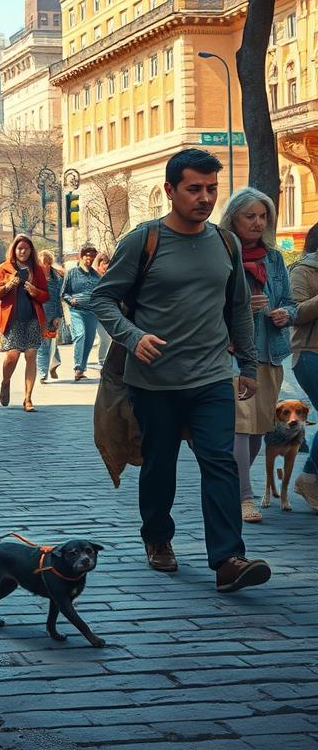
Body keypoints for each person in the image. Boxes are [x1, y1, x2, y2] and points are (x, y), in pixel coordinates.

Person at [90, 148, 270, 593]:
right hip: (154, 382)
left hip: (211, 377)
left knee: (221, 463)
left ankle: (229, 559)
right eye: (194, 188)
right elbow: (103, 298)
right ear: (170, 191)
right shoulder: (144, 240)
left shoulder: (225, 242)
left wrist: (246, 363)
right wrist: (133, 337)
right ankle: (157, 538)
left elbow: (239, 309)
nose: (205, 197)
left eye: (211, 189)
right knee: (160, 465)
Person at [218, 188, 296, 524]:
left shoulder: (274, 258)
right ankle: (244, 498)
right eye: (250, 216)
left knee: (258, 430)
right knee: (240, 426)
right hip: (233, 353)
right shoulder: (220, 253)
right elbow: (204, 306)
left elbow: (290, 301)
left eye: (263, 216)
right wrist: (240, 308)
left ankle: (228, 484)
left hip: (270, 352)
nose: (258, 222)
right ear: (233, 217)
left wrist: (285, 314)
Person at [0, 234, 49, 412]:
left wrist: (34, 291)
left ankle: (28, 399)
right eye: (19, 248)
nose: (23, 251)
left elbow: (46, 295)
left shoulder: (37, 270)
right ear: (14, 250)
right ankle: (6, 381)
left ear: (31, 251)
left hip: (32, 319)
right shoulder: (4, 268)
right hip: (11, 320)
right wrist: (7, 286)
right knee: (12, 356)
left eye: (26, 248)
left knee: (31, 355)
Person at [289, 221, 318, 513]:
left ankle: (310, 476)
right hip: (310, 354)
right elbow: (294, 313)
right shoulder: (302, 271)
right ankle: (309, 476)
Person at [61, 243, 100, 381]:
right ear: (81, 257)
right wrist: (70, 300)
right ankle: (77, 366)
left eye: (92, 256)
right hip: (76, 310)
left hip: (92, 312)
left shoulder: (96, 276)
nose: (89, 258)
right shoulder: (72, 273)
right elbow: (63, 293)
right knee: (80, 335)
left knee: (89, 341)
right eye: (87, 255)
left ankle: (81, 371)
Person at [36, 249, 64, 383]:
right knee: (42, 344)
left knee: (51, 343)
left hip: (53, 317)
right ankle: (42, 372)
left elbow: (59, 299)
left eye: (47, 263)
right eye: (42, 263)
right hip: (38, 315)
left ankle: (54, 363)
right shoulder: (35, 279)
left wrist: (59, 316)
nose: (44, 266)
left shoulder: (57, 279)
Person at [92, 251, 113, 368]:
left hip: (105, 311)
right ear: (98, 265)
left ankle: (102, 360)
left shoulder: (110, 277)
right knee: (87, 338)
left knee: (106, 337)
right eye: (104, 266)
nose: (105, 269)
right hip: (92, 312)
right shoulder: (93, 277)